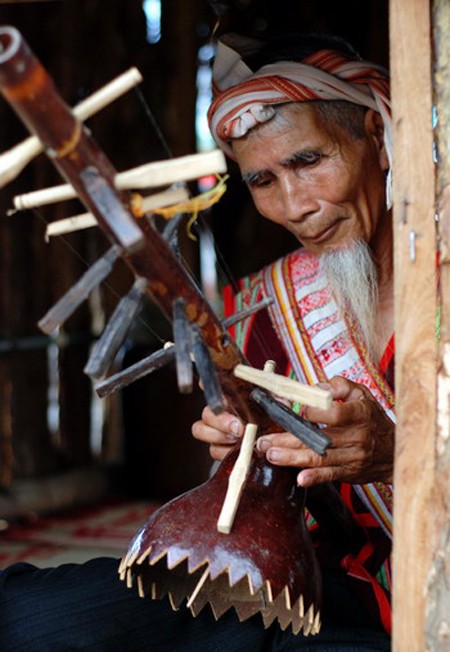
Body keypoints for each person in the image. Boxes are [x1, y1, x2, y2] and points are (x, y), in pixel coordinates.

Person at [0, 32, 393, 651]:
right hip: (304, 583)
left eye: (309, 161)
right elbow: (272, 504)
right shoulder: (262, 309)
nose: (296, 206)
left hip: (421, 602)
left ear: (375, 136)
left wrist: (399, 452)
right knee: (27, 616)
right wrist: (246, 455)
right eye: (263, 180)